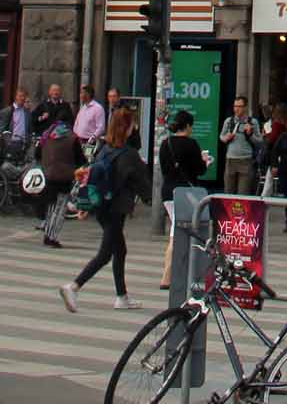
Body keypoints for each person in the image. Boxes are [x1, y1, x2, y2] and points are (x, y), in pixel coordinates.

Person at [61, 106, 153, 313]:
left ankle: (122, 296)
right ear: (128, 127)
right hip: (116, 207)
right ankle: (73, 286)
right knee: (105, 253)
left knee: (119, 249)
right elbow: (144, 185)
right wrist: (153, 201)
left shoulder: (104, 147)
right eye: (132, 124)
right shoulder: (129, 154)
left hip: (102, 205)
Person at [157, 109, 208, 289]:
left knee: (177, 229)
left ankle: (177, 272)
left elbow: (164, 169)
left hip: (168, 192)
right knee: (176, 234)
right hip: (185, 193)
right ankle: (167, 276)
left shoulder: (165, 143)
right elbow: (200, 170)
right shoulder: (191, 144)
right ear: (187, 126)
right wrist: (204, 161)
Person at [39, 117, 83, 246]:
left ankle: (47, 234)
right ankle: (53, 237)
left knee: (51, 206)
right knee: (60, 207)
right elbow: (80, 158)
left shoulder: (47, 135)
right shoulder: (72, 138)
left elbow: (38, 153)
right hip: (64, 177)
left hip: (49, 175)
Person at [219, 95, 261, 196]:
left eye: (239, 106)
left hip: (246, 160)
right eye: (235, 106)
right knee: (228, 192)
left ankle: (240, 212)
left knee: (243, 192)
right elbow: (221, 136)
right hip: (230, 159)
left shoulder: (253, 122)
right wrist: (226, 138)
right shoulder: (229, 121)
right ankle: (229, 212)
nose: (236, 109)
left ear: (245, 107)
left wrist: (250, 134)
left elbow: (259, 141)